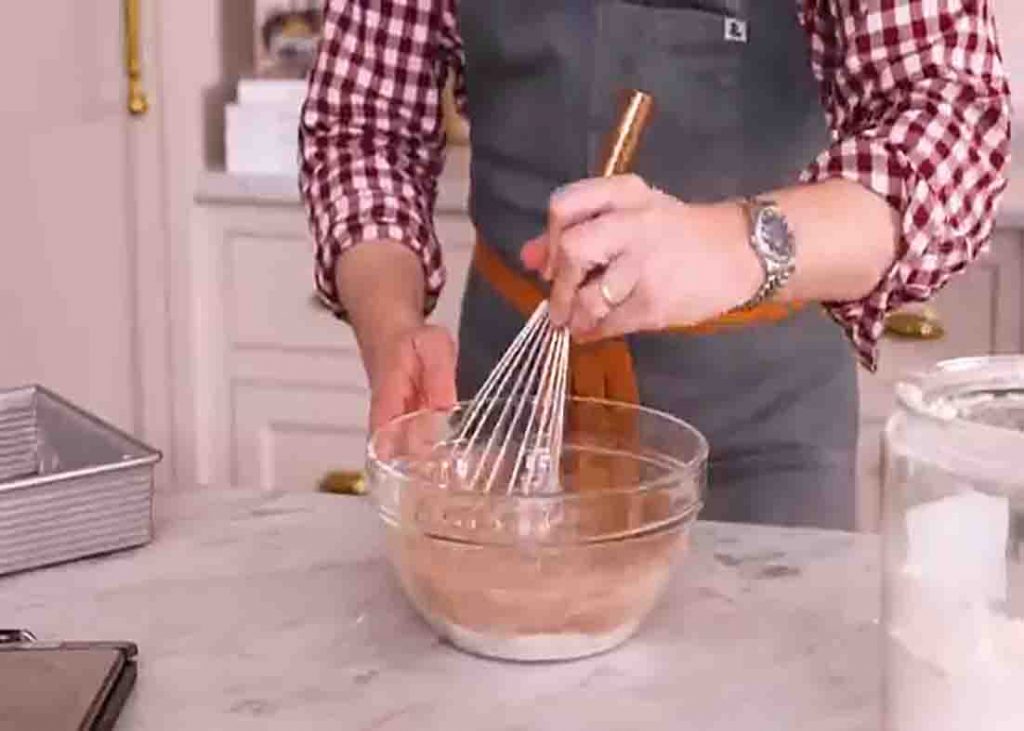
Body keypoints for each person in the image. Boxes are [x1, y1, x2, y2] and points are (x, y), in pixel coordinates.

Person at [299, 0, 1011, 530]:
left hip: (761, 451)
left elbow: (953, 124)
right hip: (502, 428)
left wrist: (739, 244)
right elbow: (364, 128)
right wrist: (392, 328)